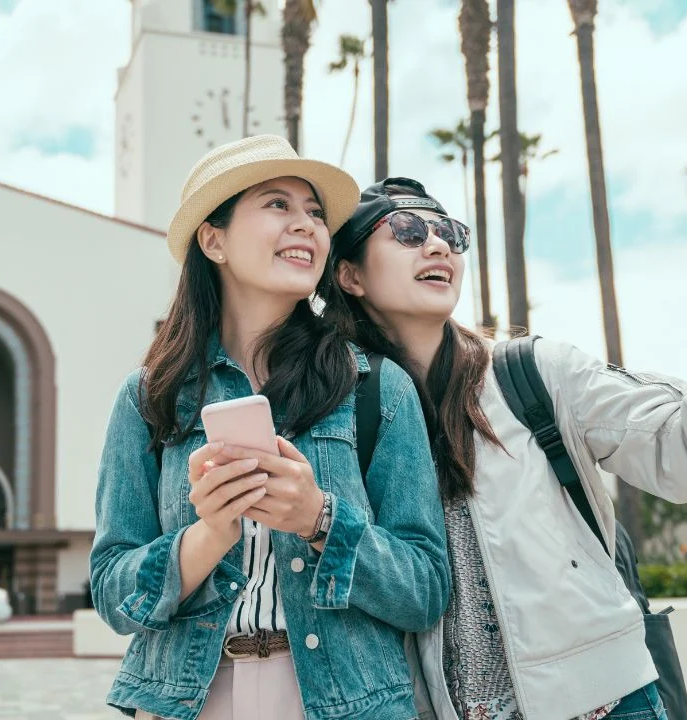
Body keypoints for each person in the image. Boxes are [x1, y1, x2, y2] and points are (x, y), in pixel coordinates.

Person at [324, 143, 687, 720]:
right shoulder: (339, 417)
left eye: (449, 231)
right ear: (349, 275)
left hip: (608, 705)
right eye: (404, 230)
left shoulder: (532, 375)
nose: (438, 243)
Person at [90, 134, 451, 720]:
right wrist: (208, 536)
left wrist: (319, 519)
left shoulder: (375, 386)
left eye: (314, 213)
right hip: (188, 700)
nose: (307, 225)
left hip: (348, 700)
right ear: (214, 239)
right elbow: (112, 593)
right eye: (278, 205)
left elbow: (426, 589)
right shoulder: (148, 396)